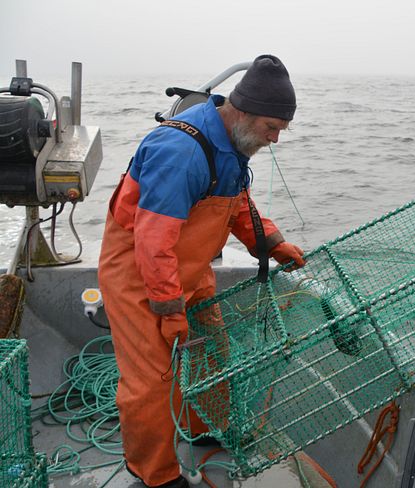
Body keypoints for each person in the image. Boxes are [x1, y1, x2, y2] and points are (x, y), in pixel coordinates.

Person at [98, 54, 306, 488]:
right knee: (153, 382)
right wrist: (170, 311)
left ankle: (204, 428)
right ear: (244, 112)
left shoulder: (234, 143)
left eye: (280, 131)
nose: (275, 140)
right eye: (272, 128)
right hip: (141, 276)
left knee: (211, 356)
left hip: (190, 270)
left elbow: (236, 207)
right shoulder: (179, 152)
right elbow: (152, 244)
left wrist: (271, 243)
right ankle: (154, 474)